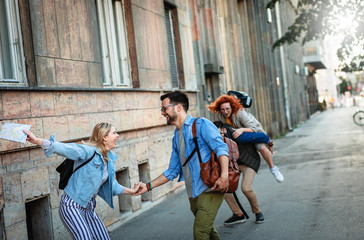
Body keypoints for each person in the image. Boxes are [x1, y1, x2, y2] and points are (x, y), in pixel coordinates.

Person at [133, 91, 230, 240]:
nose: (162, 113)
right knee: (208, 232)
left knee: (200, 233)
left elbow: (221, 148)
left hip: (211, 187)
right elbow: (172, 171)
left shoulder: (201, 124)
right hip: (193, 192)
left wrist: (224, 177)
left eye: (164, 108)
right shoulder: (176, 136)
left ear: (178, 107)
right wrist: (147, 186)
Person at [24, 123, 141, 240]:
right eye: (114, 133)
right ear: (104, 137)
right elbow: (66, 149)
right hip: (72, 206)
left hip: (89, 208)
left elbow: (111, 185)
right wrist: (37, 141)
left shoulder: (109, 159)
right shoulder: (89, 151)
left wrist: (131, 191)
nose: (118, 135)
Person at [207, 94, 284, 183]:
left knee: (261, 148)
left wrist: (242, 130)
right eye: (223, 109)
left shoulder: (239, 113)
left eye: (227, 109)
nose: (225, 112)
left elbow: (253, 128)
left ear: (232, 107)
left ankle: (273, 168)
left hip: (251, 131)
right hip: (236, 136)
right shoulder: (220, 115)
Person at [214, 121, 265, 225]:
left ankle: (258, 212)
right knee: (225, 189)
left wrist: (268, 141)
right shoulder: (215, 141)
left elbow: (261, 136)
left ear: (223, 130)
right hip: (233, 167)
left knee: (246, 188)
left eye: (219, 133)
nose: (217, 136)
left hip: (248, 163)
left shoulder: (236, 134)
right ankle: (238, 214)